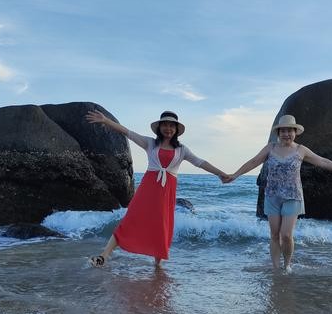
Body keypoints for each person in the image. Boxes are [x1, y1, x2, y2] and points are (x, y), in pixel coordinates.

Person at [86, 109, 229, 268]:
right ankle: (104, 256)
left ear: (176, 130)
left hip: (166, 192)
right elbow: (127, 132)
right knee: (129, 220)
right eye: (165, 125)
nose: (168, 128)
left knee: (161, 226)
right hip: (147, 189)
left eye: (172, 126)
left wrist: (220, 173)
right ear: (159, 127)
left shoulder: (182, 150)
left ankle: (157, 265)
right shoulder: (150, 143)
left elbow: (200, 162)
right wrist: (106, 121)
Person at [225, 114, 332, 272]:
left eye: (290, 130)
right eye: (283, 131)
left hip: (293, 196)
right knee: (274, 234)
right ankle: (276, 268)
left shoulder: (301, 150)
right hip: (272, 196)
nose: (286, 134)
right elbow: (253, 162)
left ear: (295, 132)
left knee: (286, 235)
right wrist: (235, 175)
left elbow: (323, 161)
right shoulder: (270, 148)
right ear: (278, 133)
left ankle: (287, 265)